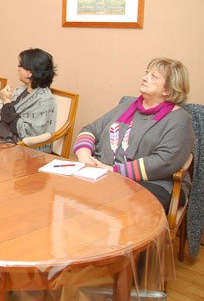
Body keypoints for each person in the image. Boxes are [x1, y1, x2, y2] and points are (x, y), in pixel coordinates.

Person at [73, 58, 195, 212]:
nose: (145, 78)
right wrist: (84, 156)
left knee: (116, 209)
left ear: (168, 90)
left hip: (154, 184)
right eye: (146, 73)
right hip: (101, 172)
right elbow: (90, 129)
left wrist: (112, 171)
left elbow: (163, 162)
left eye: (153, 76)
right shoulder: (127, 107)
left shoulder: (178, 119)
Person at [0, 48, 57, 152]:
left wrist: (7, 102)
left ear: (30, 72)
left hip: (14, 148)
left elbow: (24, 130)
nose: (18, 69)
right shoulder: (21, 90)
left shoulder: (44, 99)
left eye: (20, 66)